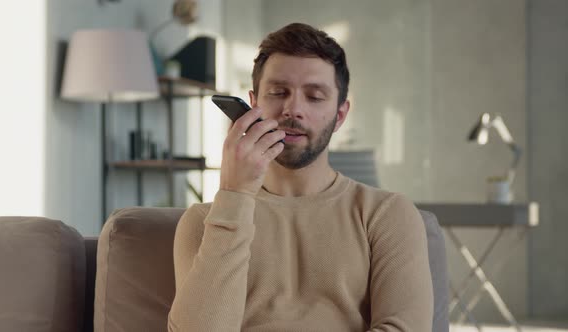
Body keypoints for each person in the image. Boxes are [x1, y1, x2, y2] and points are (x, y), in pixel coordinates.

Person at [168, 22, 432, 331]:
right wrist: (235, 196)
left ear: (340, 115)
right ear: (254, 105)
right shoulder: (201, 222)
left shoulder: (387, 215)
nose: (293, 109)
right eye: (278, 92)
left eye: (315, 96)